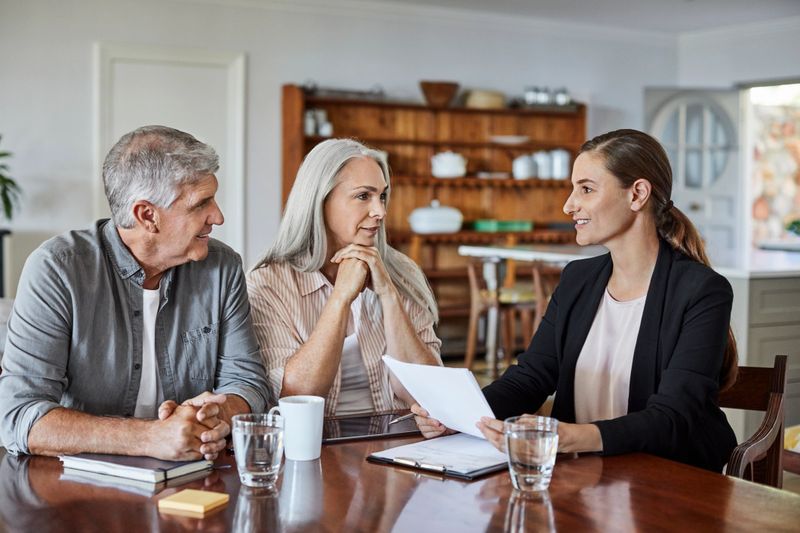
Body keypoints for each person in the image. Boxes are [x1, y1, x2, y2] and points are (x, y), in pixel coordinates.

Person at [413, 129, 738, 472]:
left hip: (669, 480)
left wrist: (571, 437)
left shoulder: (702, 291)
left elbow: (673, 417)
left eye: (586, 189)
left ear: (637, 194)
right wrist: (461, 415)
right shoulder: (578, 280)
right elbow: (532, 377)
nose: (569, 205)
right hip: (584, 476)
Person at [0, 125, 269, 460]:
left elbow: (249, 384)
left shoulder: (222, 267)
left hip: (192, 476)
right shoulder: (57, 269)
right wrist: (149, 438)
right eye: (201, 204)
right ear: (147, 215)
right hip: (76, 486)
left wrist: (215, 416)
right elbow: (19, 417)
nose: (217, 216)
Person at [247, 138, 441, 417]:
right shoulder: (268, 284)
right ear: (320, 201)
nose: (380, 212)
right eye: (363, 196)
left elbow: (429, 394)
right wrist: (340, 297)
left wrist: (388, 295)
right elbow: (297, 396)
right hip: (316, 446)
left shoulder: (402, 272)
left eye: (382, 196)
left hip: (398, 443)